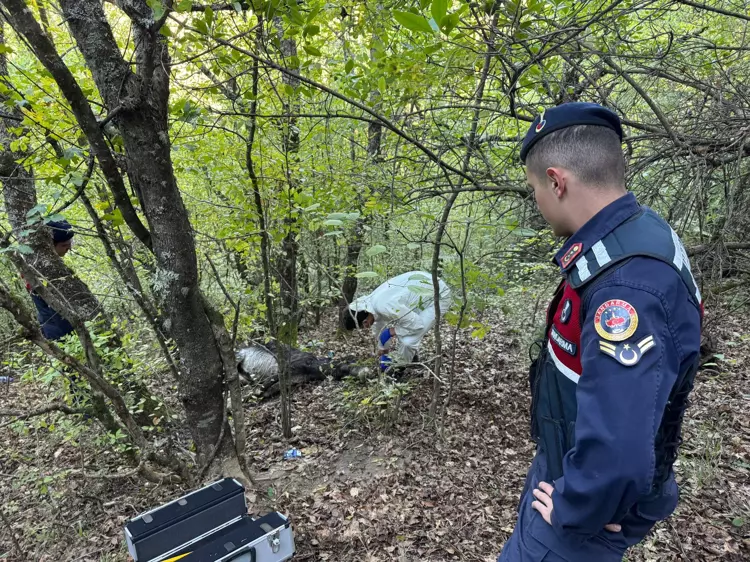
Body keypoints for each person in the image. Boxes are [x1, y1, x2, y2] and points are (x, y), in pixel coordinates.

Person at [497, 102, 703, 561]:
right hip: (567, 463)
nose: (537, 202)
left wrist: (580, 505)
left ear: (556, 180)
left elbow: (620, 445)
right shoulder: (628, 234)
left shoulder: (627, 285)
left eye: (535, 190)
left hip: (580, 515)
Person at [344, 270, 452, 372]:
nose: (366, 328)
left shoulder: (384, 306)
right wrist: (383, 348)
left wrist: (391, 331)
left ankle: (398, 370)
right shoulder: (368, 306)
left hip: (437, 294)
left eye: (363, 326)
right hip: (420, 292)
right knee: (405, 330)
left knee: (407, 342)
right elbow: (378, 325)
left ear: (364, 322)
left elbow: (417, 324)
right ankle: (411, 357)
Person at [24, 219, 76, 341]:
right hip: (58, 330)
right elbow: (49, 312)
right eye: (64, 245)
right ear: (50, 245)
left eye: (70, 244)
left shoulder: (47, 264)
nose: (68, 249)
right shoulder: (37, 270)